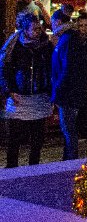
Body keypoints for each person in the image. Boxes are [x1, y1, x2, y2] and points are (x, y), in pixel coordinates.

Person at [3, 12, 53, 168]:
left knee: (37, 138)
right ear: (25, 30)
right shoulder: (14, 45)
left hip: (40, 95)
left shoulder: (46, 45)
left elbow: (52, 68)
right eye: (34, 29)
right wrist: (10, 90)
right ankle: (12, 167)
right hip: (19, 95)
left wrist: (51, 90)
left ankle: (34, 167)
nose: (37, 32)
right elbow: (5, 69)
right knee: (15, 137)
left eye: (39, 28)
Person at [51, 8, 87, 160]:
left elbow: (67, 68)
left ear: (58, 22)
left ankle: (71, 158)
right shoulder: (70, 38)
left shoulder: (68, 40)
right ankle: (68, 156)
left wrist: (58, 91)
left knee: (68, 127)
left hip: (68, 93)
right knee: (69, 127)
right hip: (71, 91)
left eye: (53, 24)